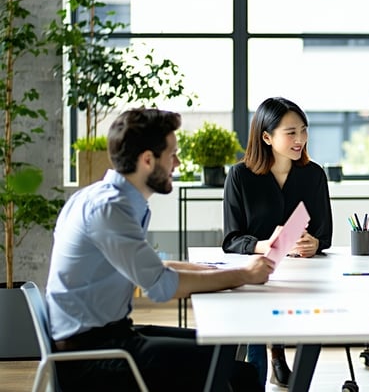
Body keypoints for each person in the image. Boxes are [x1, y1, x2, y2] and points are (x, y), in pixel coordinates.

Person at [45, 108, 274, 392]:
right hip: (89, 358)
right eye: (172, 154)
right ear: (147, 160)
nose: (177, 163)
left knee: (225, 354)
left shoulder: (108, 199)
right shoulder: (109, 209)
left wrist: (223, 270)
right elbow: (161, 286)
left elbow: (155, 267)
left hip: (109, 336)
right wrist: (243, 276)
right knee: (233, 371)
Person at [222, 97, 333, 387]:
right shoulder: (239, 176)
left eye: (304, 130)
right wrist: (266, 244)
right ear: (267, 137)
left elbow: (324, 235)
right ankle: (263, 364)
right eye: (291, 132)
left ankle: (277, 358)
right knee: (260, 298)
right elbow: (231, 239)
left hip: (302, 271)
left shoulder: (314, 175)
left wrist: (314, 244)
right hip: (257, 268)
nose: (300, 139)